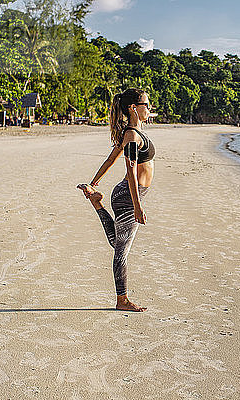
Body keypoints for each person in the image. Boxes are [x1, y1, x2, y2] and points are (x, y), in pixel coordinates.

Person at [77, 88, 155, 312]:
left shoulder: (135, 133)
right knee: (121, 251)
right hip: (130, 197)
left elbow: (111, 158)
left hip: (128, 196)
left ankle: (97, 203)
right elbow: (129, 170)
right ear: (134, 108)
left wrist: (94, 182)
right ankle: (122, 300)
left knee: (118, 244)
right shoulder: (131, 135)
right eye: (146, 105)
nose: (149, 109)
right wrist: (138, 206)